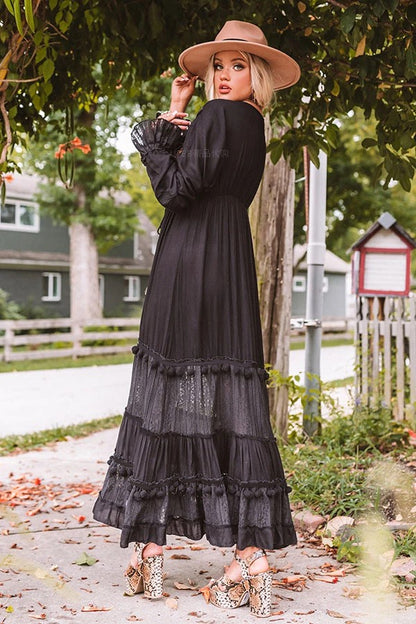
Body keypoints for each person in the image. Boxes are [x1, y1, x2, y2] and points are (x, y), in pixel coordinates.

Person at [93, 20, 300, 618]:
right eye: (219, 67)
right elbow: (203, 180)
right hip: (230, 261)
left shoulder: (218, 118)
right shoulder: (253, 127)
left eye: (238, 66)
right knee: (225, 399)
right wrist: (179, 109)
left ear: (256, 74)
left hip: (190, 263)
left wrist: (158, 140)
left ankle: (149, 551)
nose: (224, 76)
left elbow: (175, 191)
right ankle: (249, 554)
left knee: (168, 397)